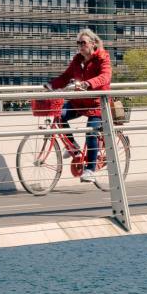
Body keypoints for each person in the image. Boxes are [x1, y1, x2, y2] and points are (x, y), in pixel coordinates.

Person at [49, 28, 112, 183]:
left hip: (97, 104)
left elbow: (105, 76)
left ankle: (90, 169)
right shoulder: (77, 60)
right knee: (59, 115)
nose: (80, 46)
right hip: (79, 102)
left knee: (91, 132)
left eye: (83, 43)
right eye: (78, 43)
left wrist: (89, 83)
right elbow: (66, 77)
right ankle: (75, 150)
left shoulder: (102, 57)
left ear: (93, 43)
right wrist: (51, 85)